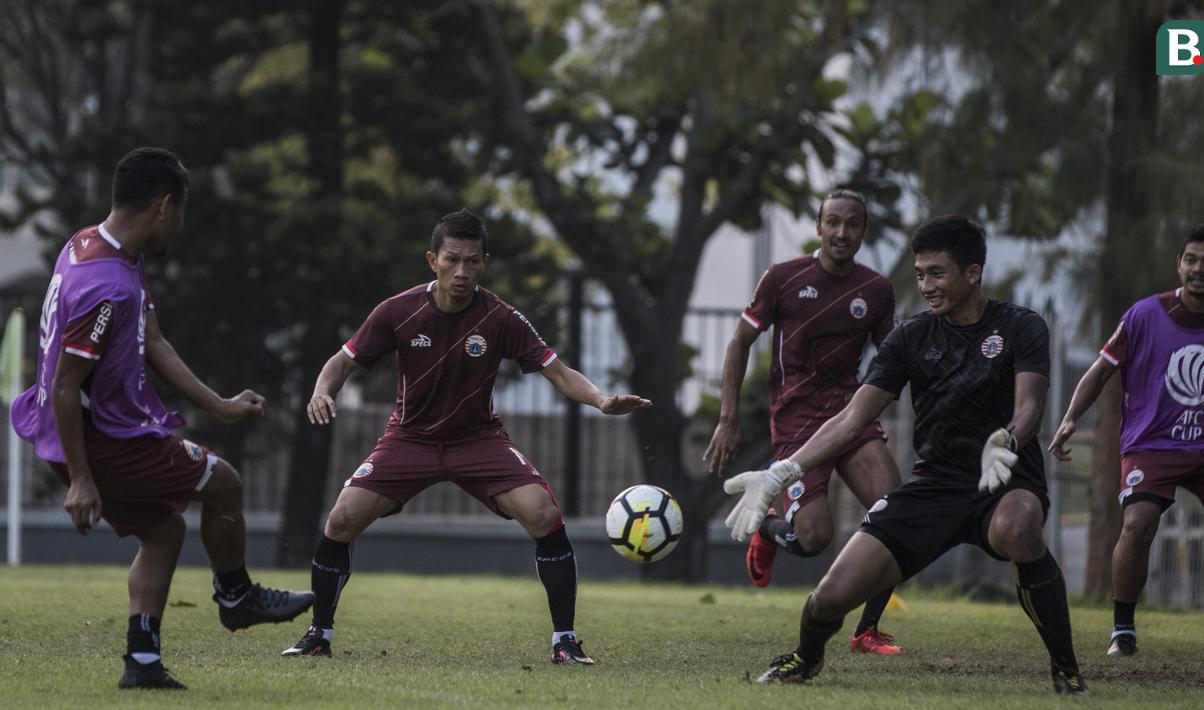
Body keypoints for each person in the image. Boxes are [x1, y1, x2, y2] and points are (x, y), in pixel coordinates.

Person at [723, 215, 1087, 694]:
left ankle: (1066, 670)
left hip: (1004, 480)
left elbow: (1031, 408)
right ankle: (805, 659)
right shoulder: (911, 337)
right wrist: (782, 472)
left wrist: (1009, 441)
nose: (926, 286)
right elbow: (852, 419)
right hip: (934, 485)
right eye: (919, 274)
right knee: (829, 597)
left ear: (972, 273)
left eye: (936, 273)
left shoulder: (1021, 326)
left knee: (1017, 528)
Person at [280, 209, 651, 664]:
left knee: (544, 515)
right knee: (340, 520)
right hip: (409, 439)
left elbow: (557, 372)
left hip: (479, 440)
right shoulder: (397, 311)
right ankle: (318, 635)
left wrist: (601, 400)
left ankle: (565, 642)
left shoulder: (501, 318)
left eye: (472, 261)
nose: (461, 271)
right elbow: (341, 363)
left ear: (484, 263)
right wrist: (322, 390)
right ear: (432, 260)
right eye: (452, 260)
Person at [10, 147, 314, 691]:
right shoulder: (105, 286)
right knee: (224, 483)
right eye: (182, 212)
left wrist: (218, 405)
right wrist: (80, 479)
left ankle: (143, 660)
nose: (180, 225)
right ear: (164, 206)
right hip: (99, 440)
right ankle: (237, 596)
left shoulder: (94, 245)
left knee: (163, 529)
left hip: (73, 433)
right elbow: (65, 384)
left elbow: (154, 340)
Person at [703, 189, 905, 655]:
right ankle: (768, 531)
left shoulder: (876, 289)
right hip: (796, 422)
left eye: (852, 224)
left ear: (863, 231)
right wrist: (728, 419)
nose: (841, 232)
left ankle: (867, 630)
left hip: (851, 417)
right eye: (833, 222)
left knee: (896, 515)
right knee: (814, 538)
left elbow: (892, 359)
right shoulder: (783, 278)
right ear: (818, 226)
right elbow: (739, 343)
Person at [1049, 223, 1204, 658]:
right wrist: (1070, 418)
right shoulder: (1144, 315)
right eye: (1191, 260)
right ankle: (1123, 629)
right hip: (1153, 444)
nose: (1198, 269)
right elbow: (1100, 371)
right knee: (1138, 523)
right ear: (1178, 264)